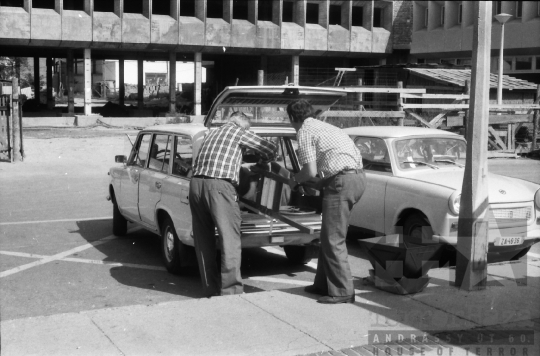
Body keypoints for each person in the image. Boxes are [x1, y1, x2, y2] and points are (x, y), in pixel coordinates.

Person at [189, 111, 278, 297]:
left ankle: (210, 290)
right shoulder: (237, 131)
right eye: (248, 129)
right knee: (229, 240)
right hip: (219, 187)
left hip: (196, 185)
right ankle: (231, 292)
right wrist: (263, 163)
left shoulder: (211, 133)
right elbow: (269, 148)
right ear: (242, 125)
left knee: (203, 241)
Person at [287, 99, 366, 304]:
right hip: (355, 178)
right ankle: (323, 284)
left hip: (341, 182)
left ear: (293, 118)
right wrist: (322, 183)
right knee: (328, 235)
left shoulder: (304, 130)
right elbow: (337, 163)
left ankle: (342, 291)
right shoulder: (327, 126)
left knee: (333, 239)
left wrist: (294, 180)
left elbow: (309, 171)